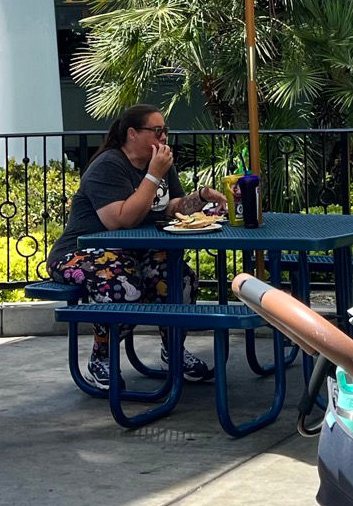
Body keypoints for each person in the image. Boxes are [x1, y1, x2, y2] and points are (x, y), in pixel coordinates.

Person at [45, 105, 229, 388]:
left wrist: (201, 197)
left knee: (179, 277)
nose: (164, 137)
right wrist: (153, 176)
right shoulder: (109, 165)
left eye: (165, 131)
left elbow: (171, 207)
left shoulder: (159, 164)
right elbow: (120, 221)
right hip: (79, 253)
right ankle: (102, 359)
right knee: (123, 285)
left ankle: (173, 350)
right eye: (157, 131)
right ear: (132, 134)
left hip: (133, 252)